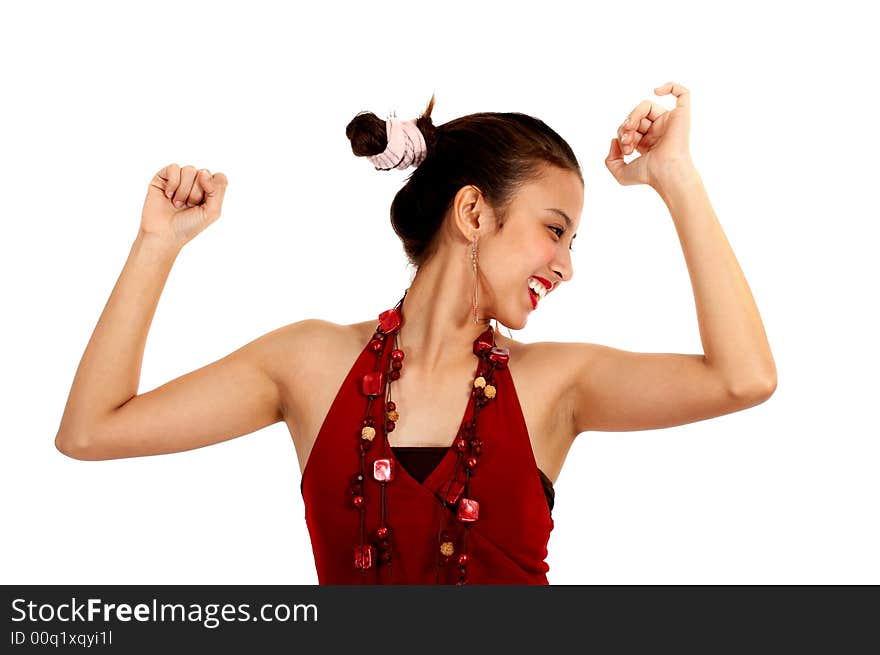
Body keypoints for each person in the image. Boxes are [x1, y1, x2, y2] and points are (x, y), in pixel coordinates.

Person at [54, 82, 777, 584]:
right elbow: (90, 430)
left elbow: (743, 377)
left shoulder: (557, 383)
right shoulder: (309, 363)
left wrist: (674, 175)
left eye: (572, 244)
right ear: (473, 212)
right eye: (554, 231)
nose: (564, 266)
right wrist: (157, 245)